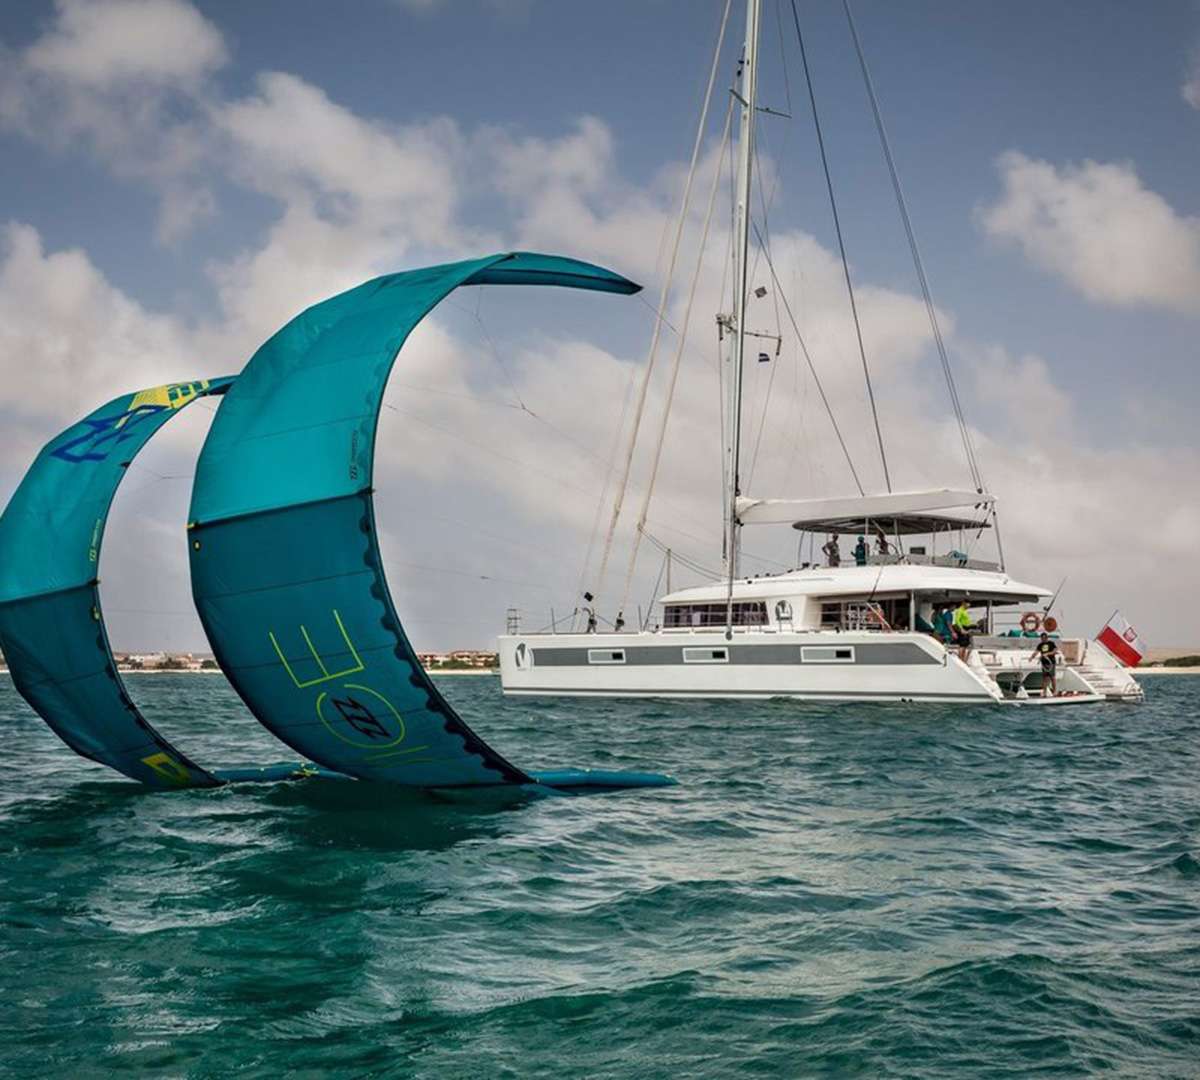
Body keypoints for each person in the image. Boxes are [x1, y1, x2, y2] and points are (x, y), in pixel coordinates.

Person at [1031, 631, 1058, 697]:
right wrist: (1032, 657)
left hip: (1051, 663)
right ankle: (1044, 692)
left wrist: (1047, 654)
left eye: (1044, 638)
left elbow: (1055, 651)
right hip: (1044, 663)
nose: (1042, 639)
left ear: (1046, 638)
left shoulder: (1051, 643)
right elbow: (1036, 651)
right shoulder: (1040, 645)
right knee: (1045, 678)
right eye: (1041, 638)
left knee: (1052, 677)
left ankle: (1055, 691)